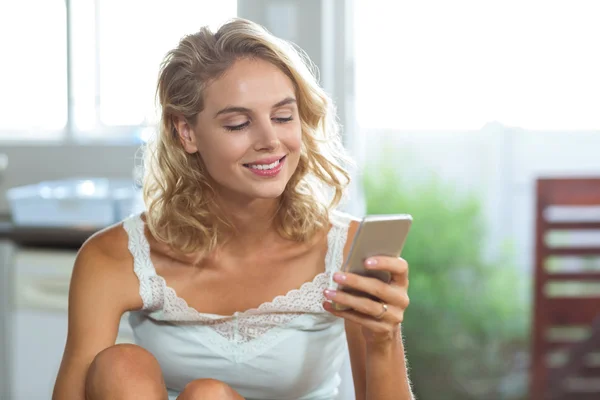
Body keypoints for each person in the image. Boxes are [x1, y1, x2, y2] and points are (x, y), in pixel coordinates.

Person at [52, 18, 413, 400]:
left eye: (283, 117)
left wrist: (384, 337)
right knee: (120, 367)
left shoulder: (345, 248)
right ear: (186, 132)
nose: (270, 140)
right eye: (239, 124)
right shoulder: (113, 257)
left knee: (208, 396)